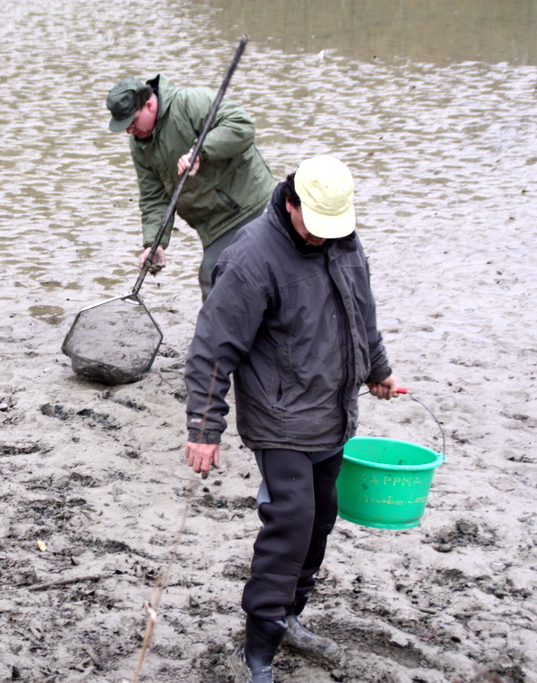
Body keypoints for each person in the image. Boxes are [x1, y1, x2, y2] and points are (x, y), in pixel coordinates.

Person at [181, 156, 401, 682]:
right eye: (314, 228)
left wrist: (377, 370)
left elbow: (360, 311)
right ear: (290, 201)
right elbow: (212, 349)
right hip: (279, 415)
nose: (324, 238)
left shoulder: (342, 237)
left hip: (332, 407)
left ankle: (290, 617)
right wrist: (204, 429)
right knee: (291, 522)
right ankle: (258, 651)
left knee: (321, 518)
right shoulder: (251, 258)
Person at [105, 74, 276, 301]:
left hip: (245, 203)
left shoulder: (191, 102)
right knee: (228, 280)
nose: (129, 131)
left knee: (216, 278)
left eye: (132, 122)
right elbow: (154, 198)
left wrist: (201, 152)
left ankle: (223, 335)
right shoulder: (140, 144)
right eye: (125, 127)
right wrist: (155, 243)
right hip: (211, 222)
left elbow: (241, 126)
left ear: (149, 105)